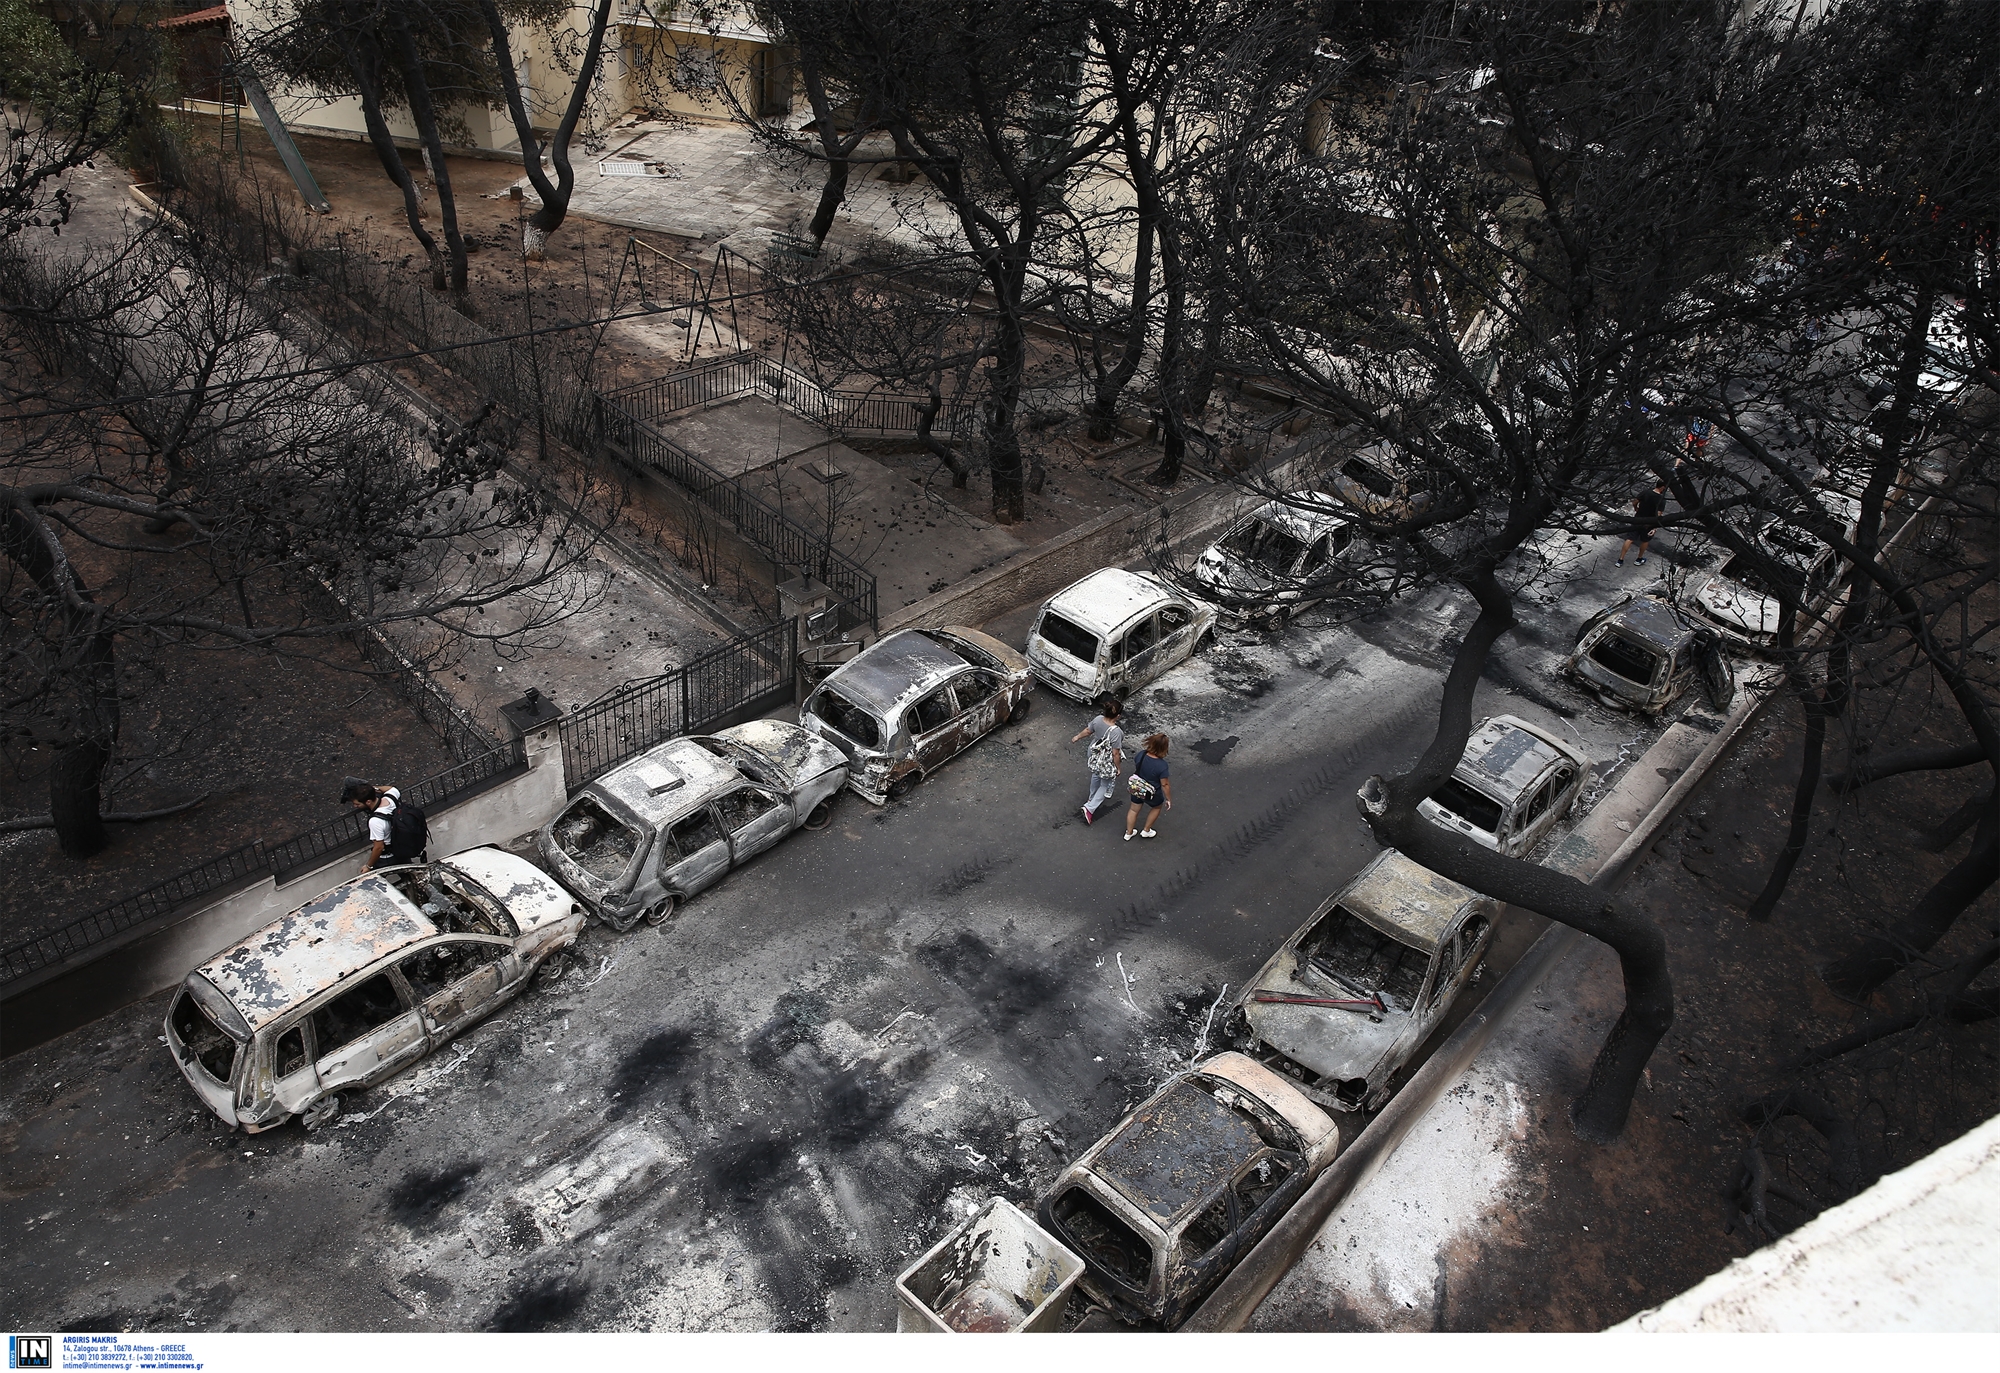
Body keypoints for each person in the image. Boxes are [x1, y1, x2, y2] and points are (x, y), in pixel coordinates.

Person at [342, 776, 426, 870]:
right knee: (407, 871)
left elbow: (378, 847)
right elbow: (391, 789)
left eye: (357, 804)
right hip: (402, 848)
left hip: (387, 858)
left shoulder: (375, 821)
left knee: (373, 876)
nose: (355, 806)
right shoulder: (391, 798)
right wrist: (370, 789)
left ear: (368, 802)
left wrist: (368, 866)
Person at [1071, 698, 1124, 825]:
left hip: (1094, 753)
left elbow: (1088, 731)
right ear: (1118, 716)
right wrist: (1118, 768)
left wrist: (1077, 737)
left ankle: (1091, 798)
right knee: (1105, 784)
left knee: (1095, 775)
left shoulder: (1098, 719)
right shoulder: (1116, 732)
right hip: (1106, 760)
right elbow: (1115, 753)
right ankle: (1089, 808)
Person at [1124, 734, 1172, 841]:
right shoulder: (1162, 765)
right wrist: (1168, 799)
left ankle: (1129, 832)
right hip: (1153, 792)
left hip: (1137, 787)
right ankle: (1146, 830)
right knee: (1156, 807)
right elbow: (1165, 784)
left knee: (1133, 810)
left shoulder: (1141, 754)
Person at [1618, 480, 1669, 567]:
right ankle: (1639, 559)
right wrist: (1655, 527)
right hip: (1649, 523)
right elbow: (1658, 514)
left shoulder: (1646, 492)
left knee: (1630, 538)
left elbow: (1635, 502)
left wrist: (1636, 509)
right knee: (1645, 540)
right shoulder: (1662, 500)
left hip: (1638, 519)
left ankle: (1620, 560)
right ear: (1662, 487)